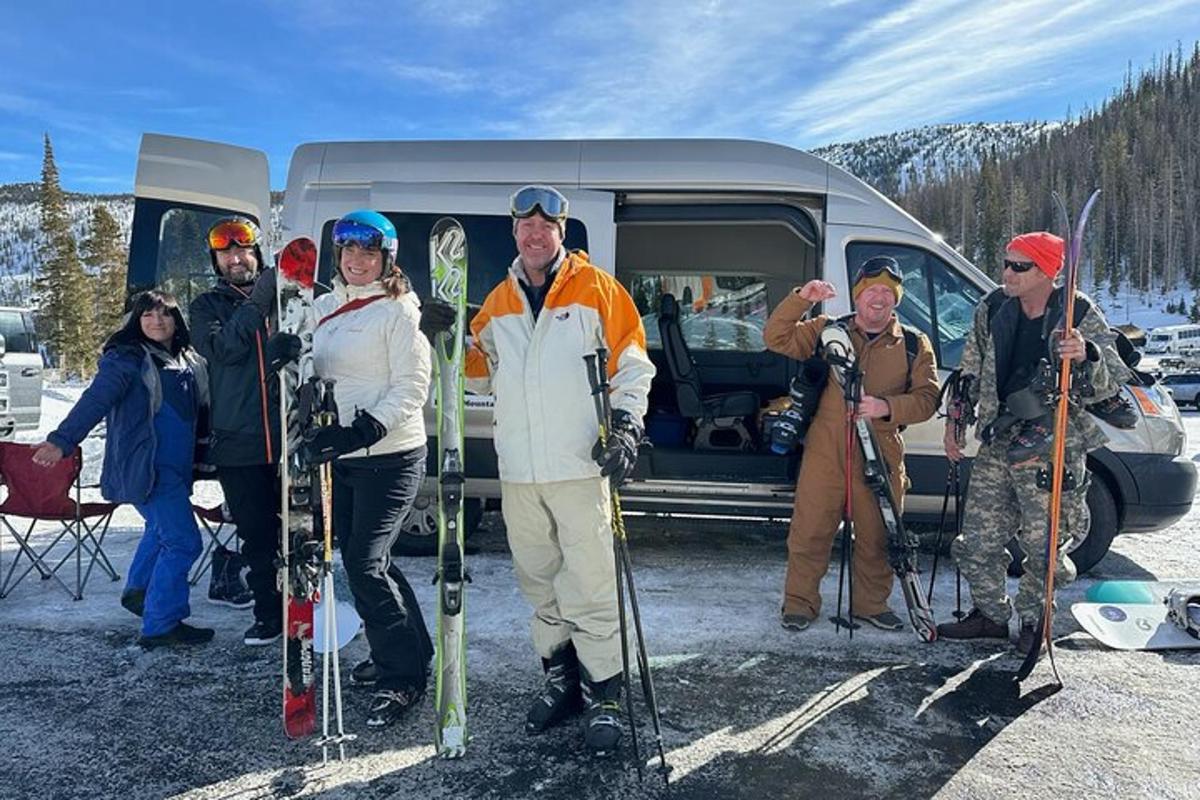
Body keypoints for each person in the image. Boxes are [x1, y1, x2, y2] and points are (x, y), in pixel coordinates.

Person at [465, 184, 654, 756]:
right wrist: (449, 339)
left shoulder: (598, 289)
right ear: (515, 231)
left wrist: (625, 426)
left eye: (547, 226)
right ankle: (562, 680)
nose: (536, 233)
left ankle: (607, 692)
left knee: (591, 582)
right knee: (539, 582)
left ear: (561, 232)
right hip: (520, 471)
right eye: (526, 226)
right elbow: (476, 381)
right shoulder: (496, 303)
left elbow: (633, 365)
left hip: (579, 465)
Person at [938, 232, 1127, 654]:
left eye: (1019, 266)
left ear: (1047, 272)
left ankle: (1033, 621)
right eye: (1006, 263)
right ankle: (989, 615)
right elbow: (969, 372)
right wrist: (956, 424)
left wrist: (1086, 355)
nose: (1006, 273)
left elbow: (1111, 383)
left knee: (1045, 543)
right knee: (978, 539)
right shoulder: (991, 308)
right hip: (998, 438)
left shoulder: (1077, 312)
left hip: (1053, 441)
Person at [300, 209, 434, 729]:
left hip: (391, 455)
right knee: (370, 561)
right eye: (350, 251)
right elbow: (316, 368)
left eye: (369, 253)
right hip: (345, 458)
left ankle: (401, 677)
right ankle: (411, 651)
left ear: (386, 260)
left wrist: (363, 430)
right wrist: (292, 354)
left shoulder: (399, 312)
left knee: (362, 564)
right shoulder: (327, 305)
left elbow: (411, 386)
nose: (357, 260)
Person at [763, 256, 940, 634]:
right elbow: (776, 337)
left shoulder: (913, 343)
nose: (878, 299)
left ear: (896, 300)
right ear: (858, 296)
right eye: (871, 290)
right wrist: (801, 299)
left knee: (878, 535)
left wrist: (885, 406)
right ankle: (799, 604)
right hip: (826, 450)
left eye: (887, 293)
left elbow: (928, 399)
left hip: (882, 452)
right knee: (810, 531)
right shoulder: (827, 330)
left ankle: (870, 605)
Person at [34, 291, 212, 649]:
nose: (156, 321)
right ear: (136, 320)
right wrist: (62, 440)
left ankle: (140, 591)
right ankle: (161, 624)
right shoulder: (127, 360)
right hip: (147, 469)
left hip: (176, 469)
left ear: (177, 321)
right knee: (182, 541)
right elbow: (95, 401)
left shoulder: (188, 360)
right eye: (147, 315)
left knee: (160, 530)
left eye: (165, 314)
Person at [189, 216, 301, 646]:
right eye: (226, 253)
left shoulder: (288, 299)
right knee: (257, 538)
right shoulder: (206, 307)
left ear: (258, 253)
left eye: (244, 250)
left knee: (303, 533)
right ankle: (269, 615)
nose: (236, 258)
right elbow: (222, 349)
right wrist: (257, 304)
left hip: (291, 439)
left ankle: (307, 610)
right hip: (239, 444)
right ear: (217, 261)